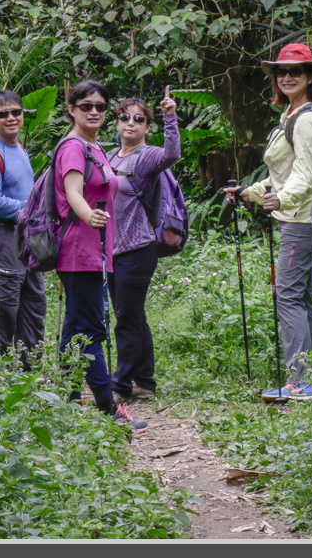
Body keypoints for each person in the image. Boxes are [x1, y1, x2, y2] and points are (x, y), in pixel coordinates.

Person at [224, 43, 312, 401]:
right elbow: (283, 175)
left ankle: (301, 382)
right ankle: (310, 378)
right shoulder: (291, 116)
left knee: (288, 297)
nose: (287, 77)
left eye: (295, 72)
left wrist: (281, 200)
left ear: (310, 78)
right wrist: (250, 192)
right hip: (298, 216)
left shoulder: (310, 119)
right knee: (301, 297)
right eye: (281, 72)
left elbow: (306, 174)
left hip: (303, 220)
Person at [54, 79, 148, 433]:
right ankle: (109, 408)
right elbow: (73, 191)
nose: (94, 111)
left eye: (100, 106)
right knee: (93, 330)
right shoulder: (74, 148)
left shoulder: (94, 147)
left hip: (95, 249)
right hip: (80, 249)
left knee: (74, 328)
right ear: (72, 109)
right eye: (86, 106)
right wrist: (86, 214)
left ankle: (66, 399)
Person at [107, 86, 180, 405]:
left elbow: (172, 154)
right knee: (133, 315)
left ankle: (121, 383)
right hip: (112, 250)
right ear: (118, 122)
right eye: (124, 118)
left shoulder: (148, 156)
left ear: (147, 127)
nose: (130, 124)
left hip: (138, 248)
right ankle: (146, 381)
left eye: (138, 119)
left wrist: (170, 117)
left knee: (125, 315)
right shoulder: (108, 156)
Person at [0, 90, 46, 371]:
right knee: (2, 307)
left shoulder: (20, 150)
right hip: (2, 237)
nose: (11, 118)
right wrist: (32, 211)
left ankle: (30, 373)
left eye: (16, 112)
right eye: (3, 114)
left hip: (26, 236)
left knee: (33, 303)